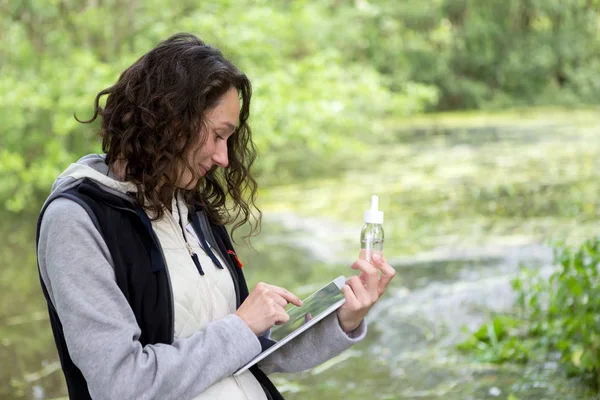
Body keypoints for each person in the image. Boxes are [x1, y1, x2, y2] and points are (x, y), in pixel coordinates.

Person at [36, 33, 396, 400]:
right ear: (171, 122)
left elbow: (245, 355)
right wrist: (241, 327)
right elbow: (121, 385)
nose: (224, 158)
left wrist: (342, 319)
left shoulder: (189, 202)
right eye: (217, 136)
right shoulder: (76, 221)